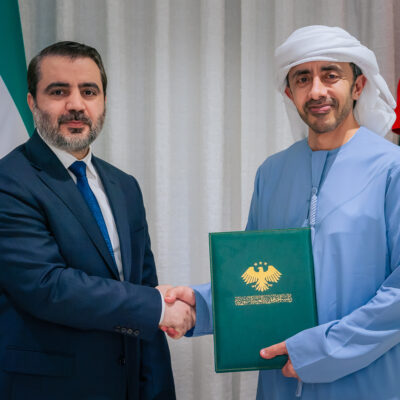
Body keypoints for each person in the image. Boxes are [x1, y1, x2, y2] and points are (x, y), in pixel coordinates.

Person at [162, 25, 400, 399]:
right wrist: (201, 306)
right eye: (303, 78)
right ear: (290, 93)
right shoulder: (272, 173)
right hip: (280, 383)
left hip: (366, 383)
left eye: (331, 75)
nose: (316, 91)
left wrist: (322, 350)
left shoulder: (392, 169)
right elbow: (257, 275)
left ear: (358, 86)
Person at [0, 41, 195, 400]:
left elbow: (144, 286)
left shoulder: (125, 186)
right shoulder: (9, 181)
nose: (76, 104)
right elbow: (47, 286)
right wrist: (157, 308)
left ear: (103, 101)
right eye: (58, 91)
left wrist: (157, 390)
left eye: (89, 91)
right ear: (31, 102)